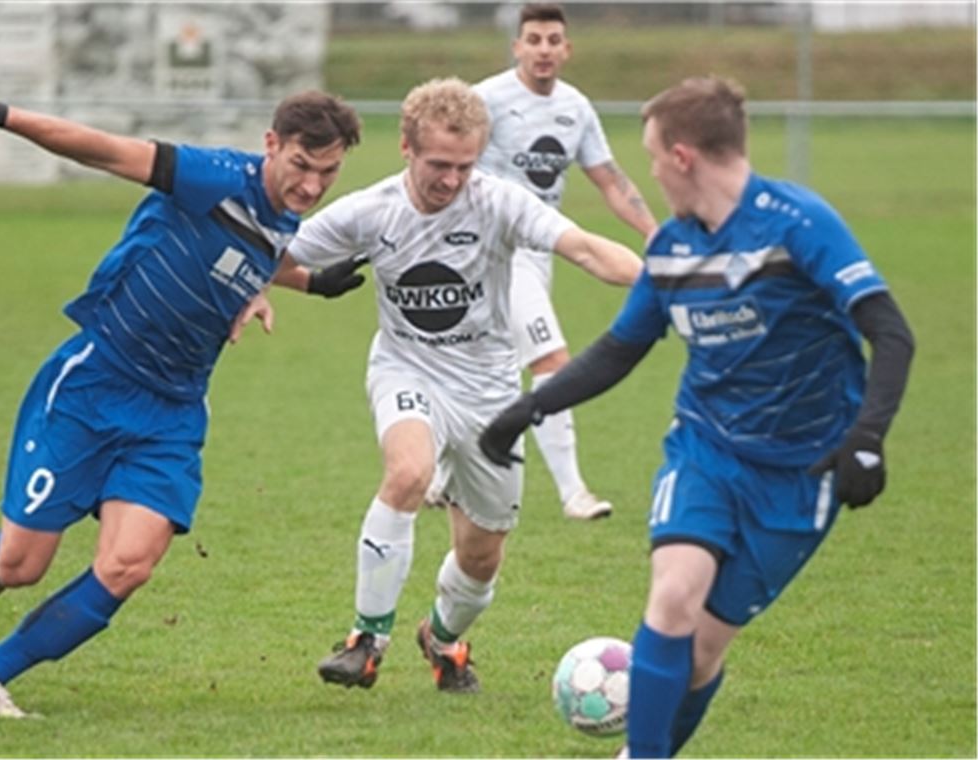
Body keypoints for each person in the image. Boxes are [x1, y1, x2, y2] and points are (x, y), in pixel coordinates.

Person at [479, 76, 915, 755]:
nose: (651, 175)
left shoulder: (798, 223)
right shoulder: (672, 250)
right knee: (674, 595)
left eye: (654, 158)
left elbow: (891, 332)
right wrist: (528, 408)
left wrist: (868, 437)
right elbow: (620, 350)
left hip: (803, 471)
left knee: (703, 653)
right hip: (706, 452)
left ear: (682, 157)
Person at [0, 79, 364, 718]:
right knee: (22, 567)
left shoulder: (283, 215)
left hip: (172, 413)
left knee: (128, 565)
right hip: (95, 385)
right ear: (271, 143)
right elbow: (101, 149)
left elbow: (260, 252)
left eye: (329, 172)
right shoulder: (212, 177)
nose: (313, 186)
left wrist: (310, 283)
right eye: (302, 165)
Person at [274, 77, 642, 693]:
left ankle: (442, 639)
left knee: (481, 556)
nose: (451, 180)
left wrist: (662, 280)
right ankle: (366, 640)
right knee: (408, 474)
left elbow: (583, 248)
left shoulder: (499, 202)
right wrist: (287, 287)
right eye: (439, 164)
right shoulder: (372, 210)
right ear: (407, 148)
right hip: (406, 369)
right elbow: (271, 253)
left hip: (490, 393)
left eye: (465, 166)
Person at [467, 2, 657, 520]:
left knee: (492, 364)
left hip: (543, 252)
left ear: (567, 49)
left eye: (553, 40)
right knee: (551, 360)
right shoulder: (487, 100)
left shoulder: (576, 108)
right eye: (534, 39)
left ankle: (444, 474)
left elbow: (610, 181)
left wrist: (655, 233)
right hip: (497, 251)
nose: (544, 49)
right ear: (517, 47)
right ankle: (574, 493)